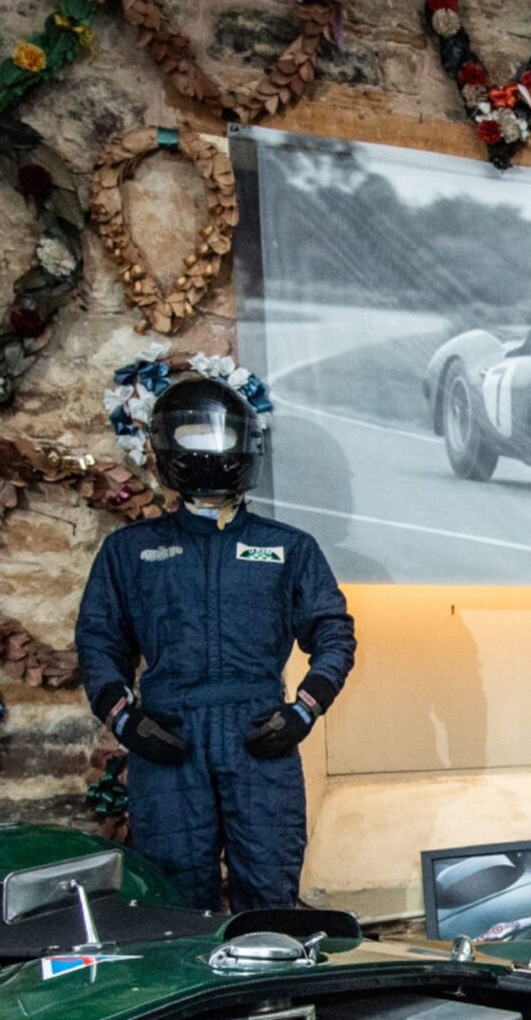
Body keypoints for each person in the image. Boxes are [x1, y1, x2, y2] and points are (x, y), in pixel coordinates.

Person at [74, 374, 356, 912]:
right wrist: (126, 721)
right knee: (177, 901)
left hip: (259, 738)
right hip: (169, 741)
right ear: (165, 448)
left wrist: (303, 711)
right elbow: (98, 641)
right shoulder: (131, 552)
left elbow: (333, 633)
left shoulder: (287, 548)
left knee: (270, 894)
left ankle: (270, 997)